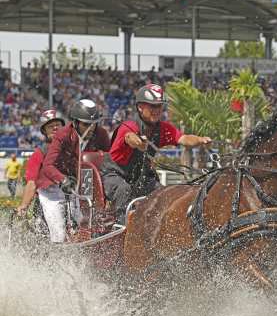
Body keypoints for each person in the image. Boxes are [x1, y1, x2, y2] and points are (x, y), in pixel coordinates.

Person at [100, 84, 211, 224]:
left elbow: (183, 138)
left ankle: (158, 228)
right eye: (152, 106)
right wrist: (139, 143)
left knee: (161, 192)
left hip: (139, 177)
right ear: (140, 107)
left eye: (159, 106)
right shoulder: (129, 125)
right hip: (114, 175)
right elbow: (129, 137)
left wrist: (201, 140)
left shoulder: (163, 129)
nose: (157, 110)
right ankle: (122, 228)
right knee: (124, 189)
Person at [36, 99, 110, 243]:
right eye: (86, 124)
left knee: (84, 222)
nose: (91, 129)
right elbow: (48, 166)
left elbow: (108, 160)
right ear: (75, 122)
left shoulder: (101, 134)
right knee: (59, 232)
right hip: (53, 186)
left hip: (76, 185)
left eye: (94, 124)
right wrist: (63, 179)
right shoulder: (63, 135)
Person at [16, 110, 65, 217]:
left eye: (58, 125)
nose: (55, 128)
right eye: (51, 126)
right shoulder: (38, 154)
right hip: (46, 205)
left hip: (71, 200)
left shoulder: (73, 149)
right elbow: (31, 183)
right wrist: (24, 205)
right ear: (44, 131)